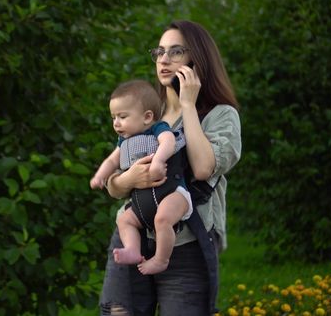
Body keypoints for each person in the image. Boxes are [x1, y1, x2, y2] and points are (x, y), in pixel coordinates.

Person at [99, 20, 242, 316]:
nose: (164, 60)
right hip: (133, 237)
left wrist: (188, 106)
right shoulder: (148, 112)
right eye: (159, 52)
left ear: (197, 58)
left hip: (187, 244)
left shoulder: (221, 115)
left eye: (176, 52)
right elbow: (113, 185)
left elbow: (203, 169)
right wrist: (127, 178)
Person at [90, 79, 193, 275]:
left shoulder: (157, 129)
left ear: (147, 117)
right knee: (124, 220)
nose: (116, 123)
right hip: (141, 203)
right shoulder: (124, 142)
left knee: (163, 220)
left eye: (122, 116)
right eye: (113, 117)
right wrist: (100, 176)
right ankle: (132, 249)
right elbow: (112, 161)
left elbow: (168, 142)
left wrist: (157, 162)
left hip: (172, 193)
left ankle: (161, 259)